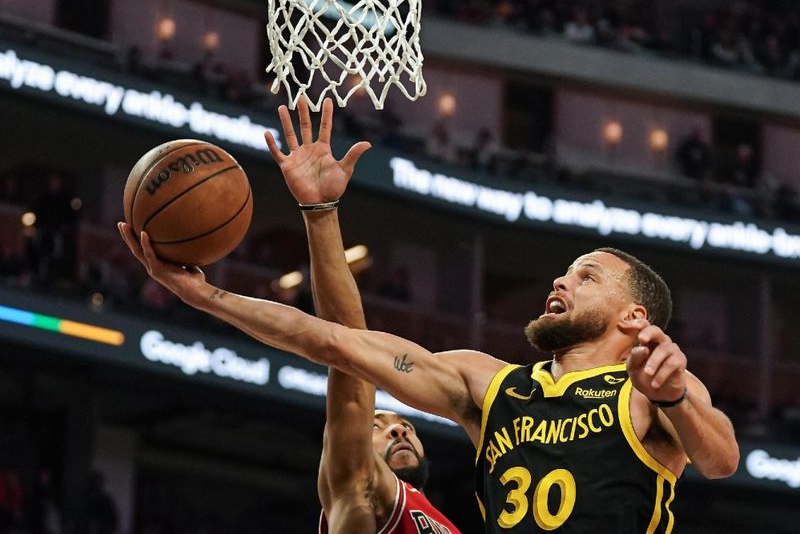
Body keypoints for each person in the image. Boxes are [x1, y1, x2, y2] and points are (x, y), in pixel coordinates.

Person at [118, 98, 739, 533]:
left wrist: (678, 398)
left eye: (587, 275)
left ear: (634, 317)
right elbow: (335, 343)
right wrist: (209, 297)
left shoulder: (648, 387)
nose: (561, 279)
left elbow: (720, 461)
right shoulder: (486, 385)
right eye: (564, 271)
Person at [269, 101, 458, 533]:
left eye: (406, 426)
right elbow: (350, 353)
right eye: (379, 426)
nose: (399, 432)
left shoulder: (442, 522)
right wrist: (321, 213)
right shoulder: (361, 489)